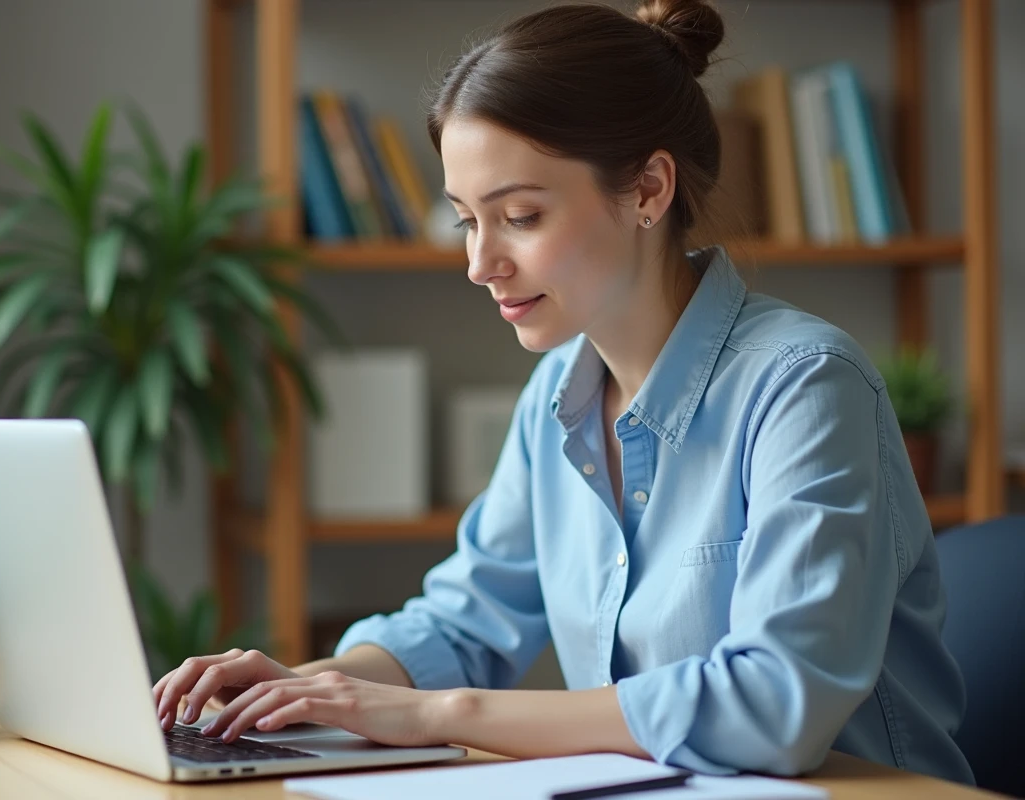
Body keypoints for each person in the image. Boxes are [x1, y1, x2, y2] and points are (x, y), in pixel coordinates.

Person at [153, 0, 974, 783]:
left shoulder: (805, 388)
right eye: (466, 220)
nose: (480, 263)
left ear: (649, 191)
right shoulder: (559, 393)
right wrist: (298, 690)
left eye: (520, 216)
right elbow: (463, 622)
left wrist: (439, 713)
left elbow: (774, 708)